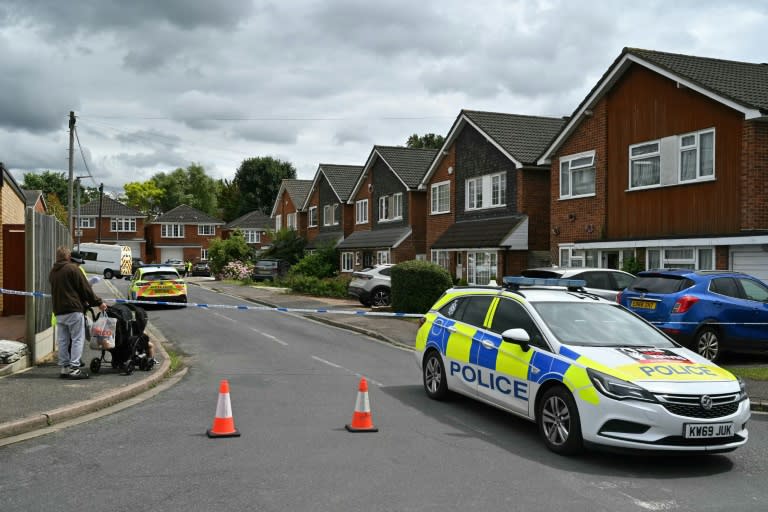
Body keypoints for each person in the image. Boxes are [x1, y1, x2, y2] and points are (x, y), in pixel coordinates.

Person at [49, 246, 108, 379]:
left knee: (63, 340)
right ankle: (74, 368)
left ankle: (64, 368)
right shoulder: (73, 269)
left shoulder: (53, 271)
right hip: (73, 309)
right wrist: (99, 303)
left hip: (58, 311)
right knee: (77, 339)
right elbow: (85, 289)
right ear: (68, 257)